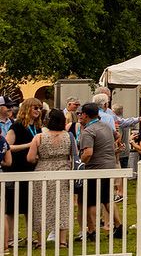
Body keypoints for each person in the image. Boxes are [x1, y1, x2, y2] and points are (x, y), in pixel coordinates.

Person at [75, 103, 122, 239]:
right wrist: (113, 149)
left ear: (85, 115)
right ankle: (118, 226)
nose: (79, 116)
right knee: (107, 199)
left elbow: (88, 153)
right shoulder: (106, 127)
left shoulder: (88, 131)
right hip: (108, 166)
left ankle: (91, 230)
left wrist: (80, 161)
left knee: (88, 201)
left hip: (94, 169)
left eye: (80, 114)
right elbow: (117, 135)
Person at [30, 109, 73, 246]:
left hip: (42, 172)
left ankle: (41, 240)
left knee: (40, 206)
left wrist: (38, 157)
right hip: (63, 171)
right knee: (63, 205)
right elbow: (73, 154)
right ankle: (62, 240)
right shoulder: (68, 136)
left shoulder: (39, 137)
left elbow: (30, 158)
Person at [3, 99, 41, 247]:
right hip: (16, 169)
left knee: (29, 207)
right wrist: (29, 145)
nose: (37, 110)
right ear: (27, 109)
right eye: (34, 108)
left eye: (39, 108)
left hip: (31, 169)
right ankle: (11, 238)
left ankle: (29, 236)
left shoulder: (37, 127)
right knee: (12, 208)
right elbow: (8, 146)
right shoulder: (17, 126)